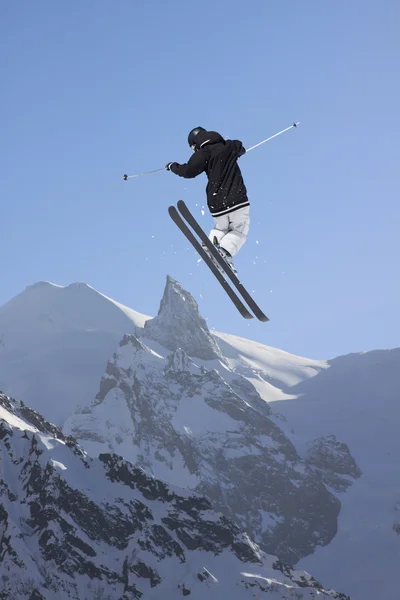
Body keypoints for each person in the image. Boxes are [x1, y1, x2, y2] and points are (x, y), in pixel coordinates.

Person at [166, 127, 250, 272]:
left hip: (217, 203)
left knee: (221, 228)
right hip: (237, 199)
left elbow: (188, 171)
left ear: (195, 144)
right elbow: (240, 146)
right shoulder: (228, 146)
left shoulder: (203, 154)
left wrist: (173, 167)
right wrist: (236, 153)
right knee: (240, 230)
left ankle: (211, 244)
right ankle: (223, 251)